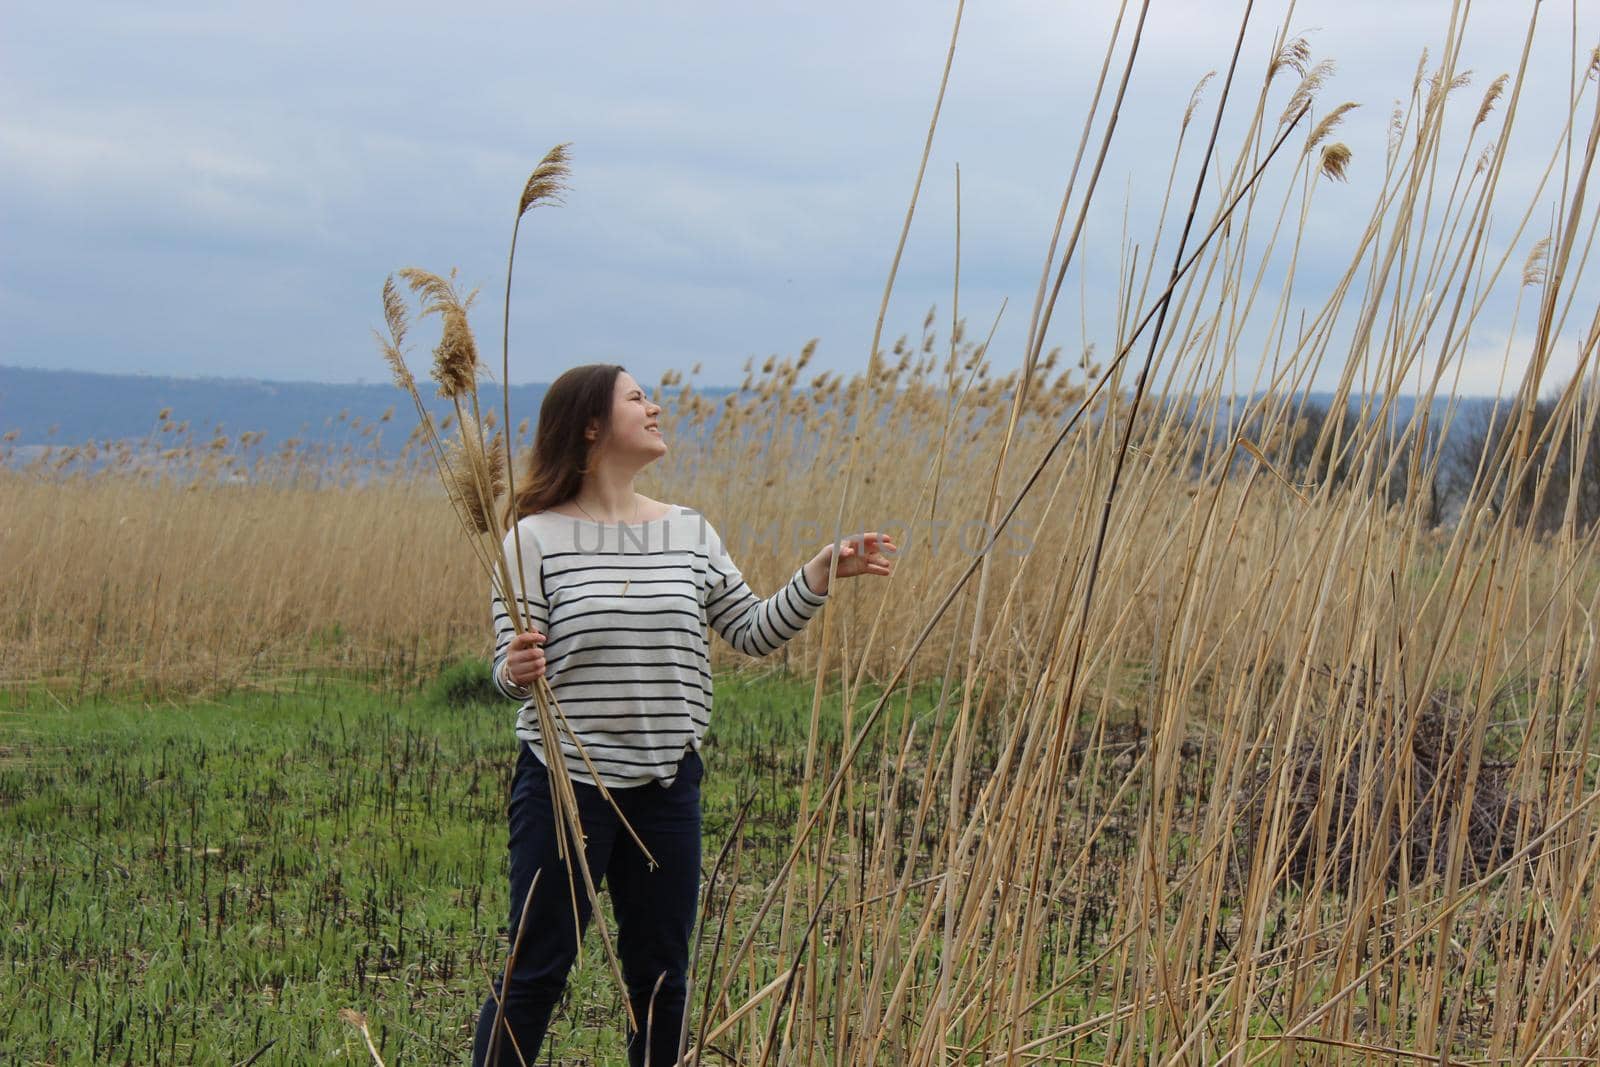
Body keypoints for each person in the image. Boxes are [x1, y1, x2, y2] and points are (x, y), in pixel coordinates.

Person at [474, 363, 896, 1066]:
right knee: (535, 972)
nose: (656, 406)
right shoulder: (532, 540)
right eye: (637, 398)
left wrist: (820, 572)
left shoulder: (688, 531)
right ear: (590, 425)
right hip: (564, 787)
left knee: (662, 982)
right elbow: (507, 671)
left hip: (669, 787)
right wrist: (513, 670)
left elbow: (754, 629)